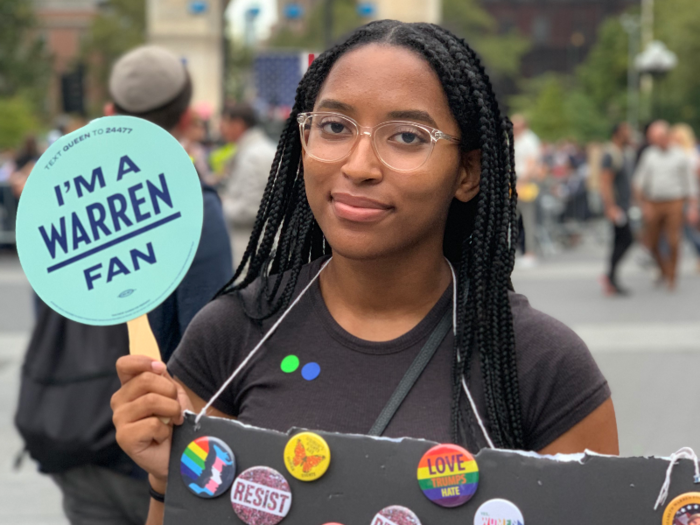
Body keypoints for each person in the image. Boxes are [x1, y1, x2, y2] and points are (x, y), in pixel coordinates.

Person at [110, 22, 618, 524]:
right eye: (334, 127)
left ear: (467, 173)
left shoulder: (542, 365)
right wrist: (164, 480)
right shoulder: (231, 334)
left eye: (406, 136)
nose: (359, 165)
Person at [17, 45, 232, 525]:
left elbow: (49, 306)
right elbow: (212, 344)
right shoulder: (192, 207)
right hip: (154, 452)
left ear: (110, 112)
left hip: (73, 435)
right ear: (184, 120)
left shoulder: (57, 198)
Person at [633, 120, 699, 290]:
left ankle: (672, 275)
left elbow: (689, 183)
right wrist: (643, 204)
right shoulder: (650, 155)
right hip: (654, 201)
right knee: (652, 241)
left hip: (674, 201)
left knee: (673, 240)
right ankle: (663, 268)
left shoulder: (679, 155)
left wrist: (692, 207)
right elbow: (639, 182)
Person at [219, 103, 277, 267]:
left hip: (249, 251)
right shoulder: (261, 149)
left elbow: (251, 208)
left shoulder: (253, 156)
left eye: (224, 123)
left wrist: (220, 205)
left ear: (238, 124)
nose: (221, 129)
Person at [599, 122, 635, 295]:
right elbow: (605, 182)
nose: (630, 135)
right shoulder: (611, 154)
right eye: (626, 131)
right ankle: (610, 277)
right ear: (618, 133)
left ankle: (611, 277)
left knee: (619, 241)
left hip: (624, 205)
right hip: (617, 207)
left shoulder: (623, 153)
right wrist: (610, 207)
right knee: (626, 239)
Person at [511, 114, 542, 266]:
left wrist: (521, 182)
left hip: (524, 181)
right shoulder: (516, 139)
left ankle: (530, 252)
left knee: (528, 219)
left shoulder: (530, 140)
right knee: (512, 218)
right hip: (515, 180)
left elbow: (531, 163)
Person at [670, 123, 700, 269]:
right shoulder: (674, 154)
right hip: (674, 197)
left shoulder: (691, 156)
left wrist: (693, 203)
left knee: (688, 231)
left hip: (687, 198)